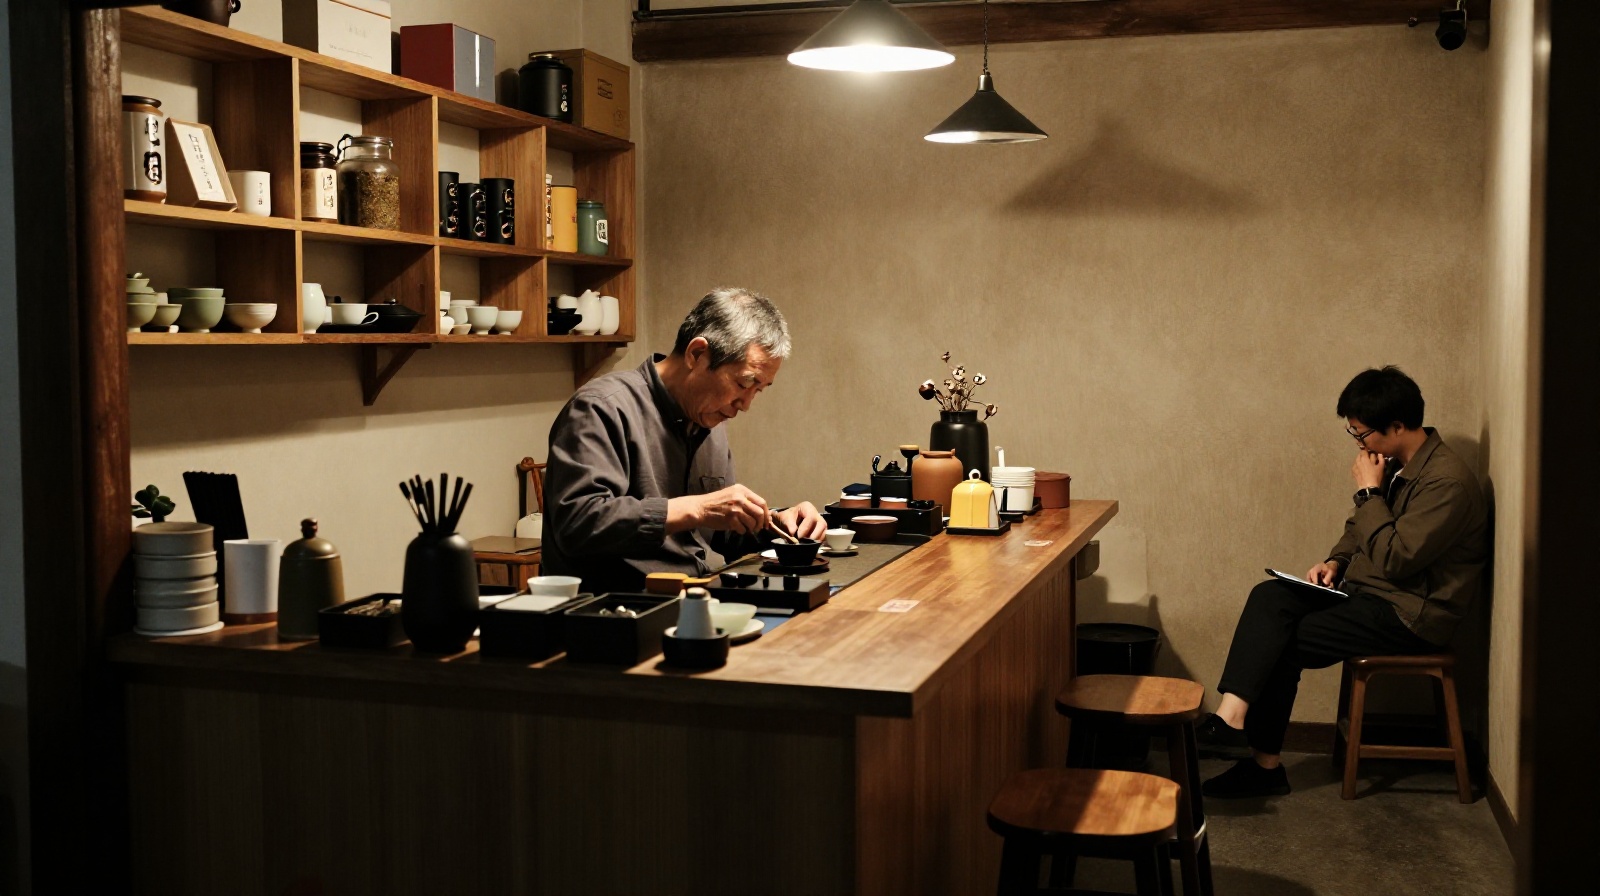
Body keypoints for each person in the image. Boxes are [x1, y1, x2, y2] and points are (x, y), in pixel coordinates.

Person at [1195, 366, 1488, 799]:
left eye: (1361, 434)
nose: (1359, 444)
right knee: (1271, 596)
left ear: (1397, 426)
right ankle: (1233, 718)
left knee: (1282, 641)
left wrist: (1370, 492)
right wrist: (1336, 560)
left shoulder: (1447, 482)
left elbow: (1395, 558)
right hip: (1371, 595)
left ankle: (1262, 766)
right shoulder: (1397, 463)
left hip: (1412, 613)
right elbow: (1361, 529)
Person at [541, 287, 827, 594]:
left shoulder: (708, 418)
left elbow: (719, 532)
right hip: (617, 612)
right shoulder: (601, 407)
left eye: (759, 389)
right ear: (696, 354)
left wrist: (776, 525)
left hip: (698, 597)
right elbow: (578, 523)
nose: (745, 404)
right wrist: (697, 508)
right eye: (744, 383)